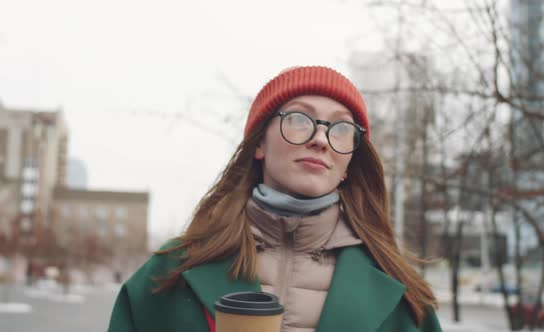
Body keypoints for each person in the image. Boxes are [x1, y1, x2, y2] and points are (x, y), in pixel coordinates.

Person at [108, 66, 442, 332]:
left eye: (342, 129)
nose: (321, 139)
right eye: (299, 119)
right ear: (259, 144)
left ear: (348, 166)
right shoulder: (169, 274)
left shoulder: (403, 296)